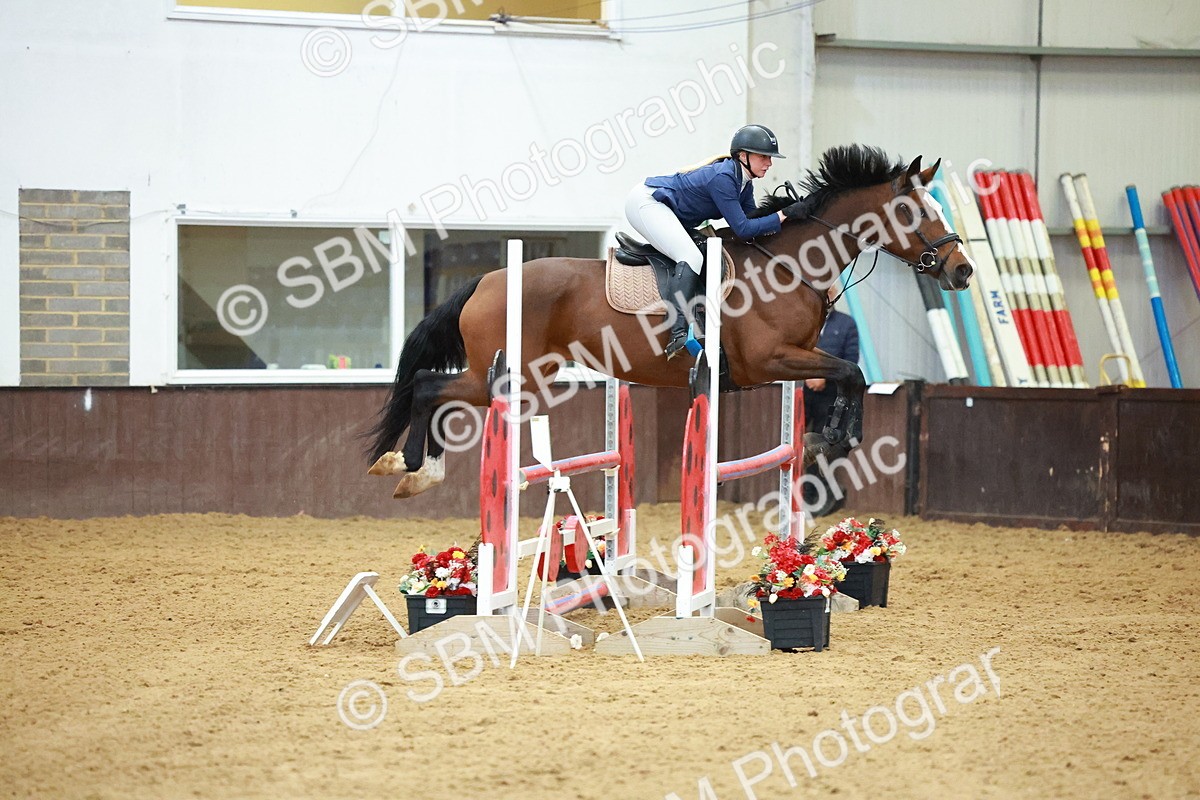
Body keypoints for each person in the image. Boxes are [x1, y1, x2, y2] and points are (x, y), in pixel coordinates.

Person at [625, 124, 788, 359]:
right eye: (763, 157)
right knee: (691, 256)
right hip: (646, 203)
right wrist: (782, 216)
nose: (769, 163)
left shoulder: (743, 183)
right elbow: (742, 229)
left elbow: (753, 223)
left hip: (667, 210)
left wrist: (788, 214)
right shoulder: (724, 178)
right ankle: (677, 331)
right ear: (743, 156)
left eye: (770, 158)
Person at [803, 283, 860, 514]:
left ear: (834, 294)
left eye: (828, 293)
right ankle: (801, 494)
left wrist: (824, 377)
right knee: (793, 440)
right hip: (804, 391)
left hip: (832, 395)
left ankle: (815, 496)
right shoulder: (805, 322)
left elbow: (850, 360)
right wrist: (808, 375)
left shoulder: (846, 324)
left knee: (822, 444)